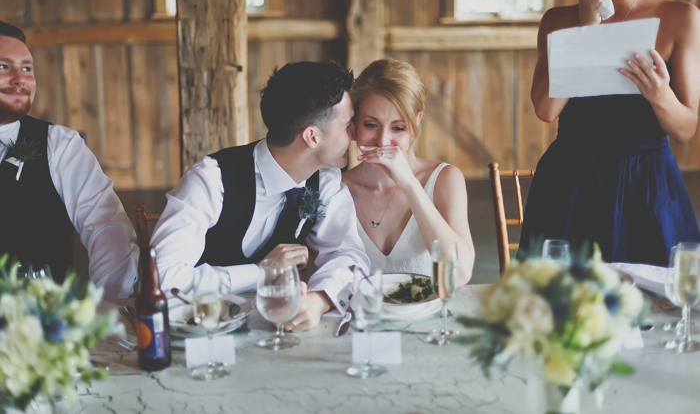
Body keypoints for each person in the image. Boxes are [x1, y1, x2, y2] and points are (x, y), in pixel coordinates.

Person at [151, 61, 370, 331]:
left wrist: (319, 300)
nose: (355, 135)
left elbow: (349, 255)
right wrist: (261, 273)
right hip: (198, 335)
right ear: (312, 136)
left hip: (275, 335)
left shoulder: (325, 181)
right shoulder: (210, 180)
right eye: (348, 125)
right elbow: (161, 279)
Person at [518, 0, 700, 265]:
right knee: (563, 305)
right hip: (571, 181)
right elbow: (546, 110)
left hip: (647, 184)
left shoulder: (681, 17)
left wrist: (661, 95)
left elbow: (685, 129)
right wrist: (584, 31)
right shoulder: (557, 20)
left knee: (655, 305)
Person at [0, 21, 138, 298]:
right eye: (3, 67)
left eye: (27, 68)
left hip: (37, 326)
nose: (20, 78)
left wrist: (109, 305)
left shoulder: (60, 145)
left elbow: (105, 224)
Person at [341, 58, 474, 285]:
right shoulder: (336, 188)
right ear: (353, 124)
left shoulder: (445, 179)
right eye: (370, 125)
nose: (383, 141)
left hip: (430, 319)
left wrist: (410, 185)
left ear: (416, 123)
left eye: (398, 128)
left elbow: (459, 275)